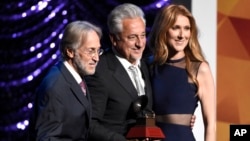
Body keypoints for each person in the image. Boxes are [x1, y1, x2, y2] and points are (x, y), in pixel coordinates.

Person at [148, 4, 216, 141]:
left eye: (186, 29)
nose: (182, 35)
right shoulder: (149, 65)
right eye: (175, 28)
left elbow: (211, 125)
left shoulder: (199, 69)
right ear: (163, 30)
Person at [85, 3, 153, 141]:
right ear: (114, 39)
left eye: (143, 35)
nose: (140, 44)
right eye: (132, 37)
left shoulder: (146, 66)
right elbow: (89, 125)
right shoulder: (100, 70)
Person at [29, 21, 103, 141]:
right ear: (70, 51)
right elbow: (48, 138)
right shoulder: (55, 87)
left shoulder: (77, 77)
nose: (96, 58)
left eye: (98, 50)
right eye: (90, 51)